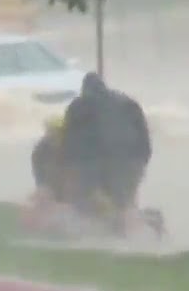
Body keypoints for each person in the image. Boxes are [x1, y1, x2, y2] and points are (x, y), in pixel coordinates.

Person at [60, 72, 153, 233]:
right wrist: (141, 162)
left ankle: (100, 234)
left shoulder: (78, 106)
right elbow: (144, 137)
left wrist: (70, 167)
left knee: (91, 200)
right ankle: (140, 231)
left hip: (96, 161)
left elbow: (69, 141)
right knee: (125, 203)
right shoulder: (129, 103)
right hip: (132, 159)